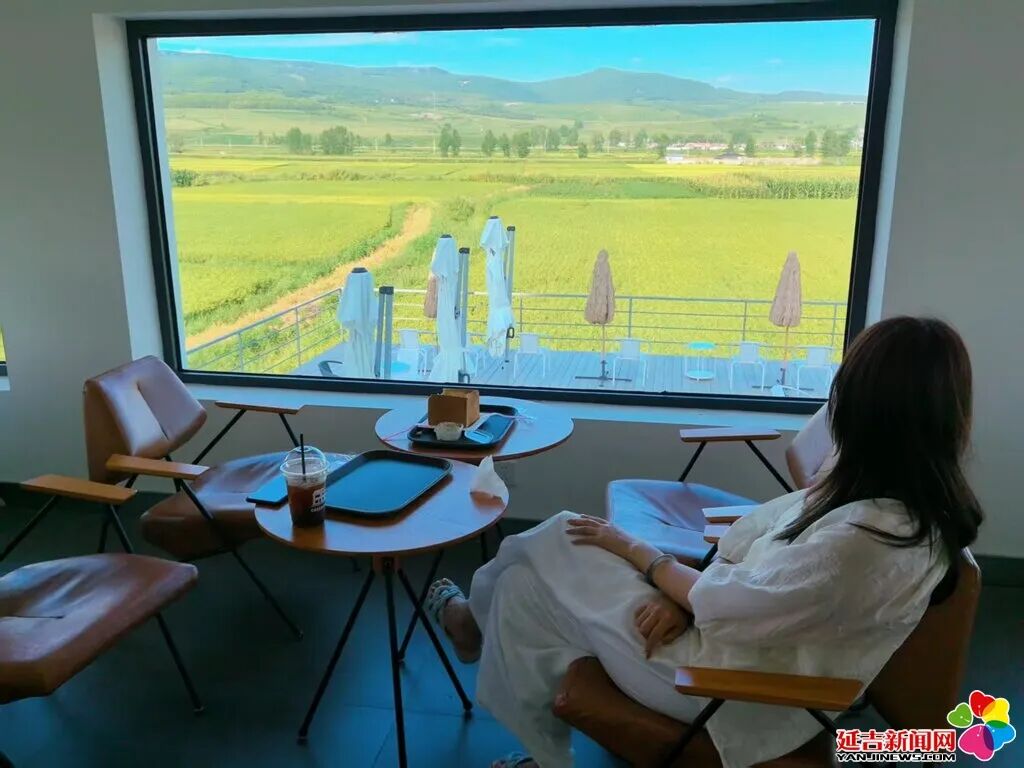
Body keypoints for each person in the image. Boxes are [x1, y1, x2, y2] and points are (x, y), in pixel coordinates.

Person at [426, 317, 983, 768]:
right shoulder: (896, 503)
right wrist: (680, 596)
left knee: (556, 537)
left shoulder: (861, 546)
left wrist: (642, 555)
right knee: (525, 585)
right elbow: (756, 552)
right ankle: (540, 745)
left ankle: (471, 624)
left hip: (719, 684)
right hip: (727, 637)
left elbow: (731, 602)